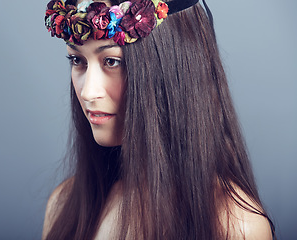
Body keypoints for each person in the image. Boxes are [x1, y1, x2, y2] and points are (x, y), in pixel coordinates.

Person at [42, 0, 275, 239]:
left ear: (171, 67)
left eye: (112, 61)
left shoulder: (235, 226)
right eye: (77, 60)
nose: (88, 92)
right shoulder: (64, 205)